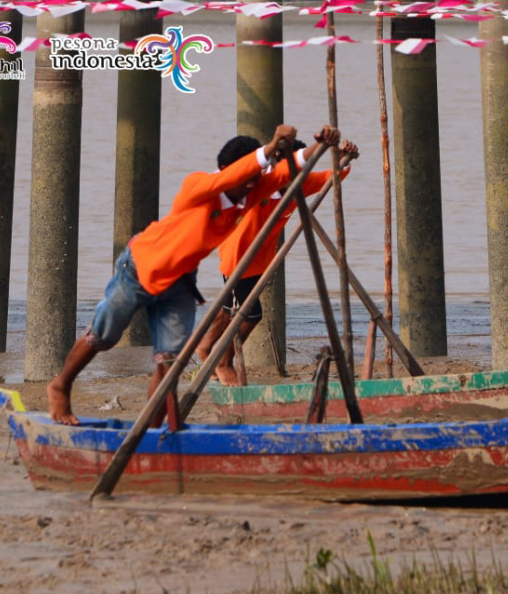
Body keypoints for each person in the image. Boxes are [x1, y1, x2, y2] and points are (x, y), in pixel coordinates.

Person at [47, 124, 344, 425]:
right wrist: (269, 149)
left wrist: (320, 146)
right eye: (248, 178)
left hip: (180, 283)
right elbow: (242, 173)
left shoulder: (251, 194)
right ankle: (60, 386)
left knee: (170, 361)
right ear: (229, 170)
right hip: (140, 266)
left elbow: (288, 173)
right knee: (103, 336)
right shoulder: (198, 186)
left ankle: (150, 430)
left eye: (256, 180)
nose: (254, 186)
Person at [196, 139, 360, 386]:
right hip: (237, 257)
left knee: (231, 308)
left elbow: (331, 178)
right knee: (249, 315)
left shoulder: (300, 186)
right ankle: (223, 362)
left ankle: (206, 346)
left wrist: (343, 160)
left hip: (259, 260)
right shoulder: (261, 186)